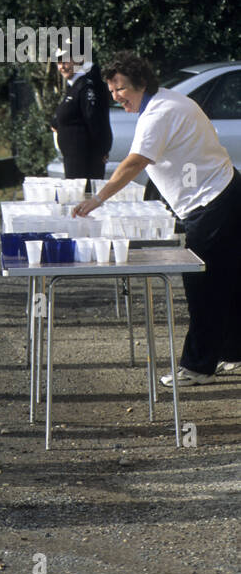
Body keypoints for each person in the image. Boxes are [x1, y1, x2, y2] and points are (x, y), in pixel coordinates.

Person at [73, 50, 241, 387]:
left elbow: (135, 163)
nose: (116, 98)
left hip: (213, 202)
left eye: (120, 89)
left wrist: (98, 198)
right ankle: (233, 353)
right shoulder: (167, 101)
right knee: (227, 280)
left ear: (140, 83)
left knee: (203, 285)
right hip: (226, 192)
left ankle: (197, 367)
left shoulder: (158, 113)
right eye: (111, 91)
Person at [50, 45, 112, 185]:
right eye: (59, 62)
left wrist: (102, 149)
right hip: (73, 160)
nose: (62, 66)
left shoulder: (87, 86)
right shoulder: (75, 86)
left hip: (86, 161)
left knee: (84, 200)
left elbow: (95, 120)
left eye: (65, 61)